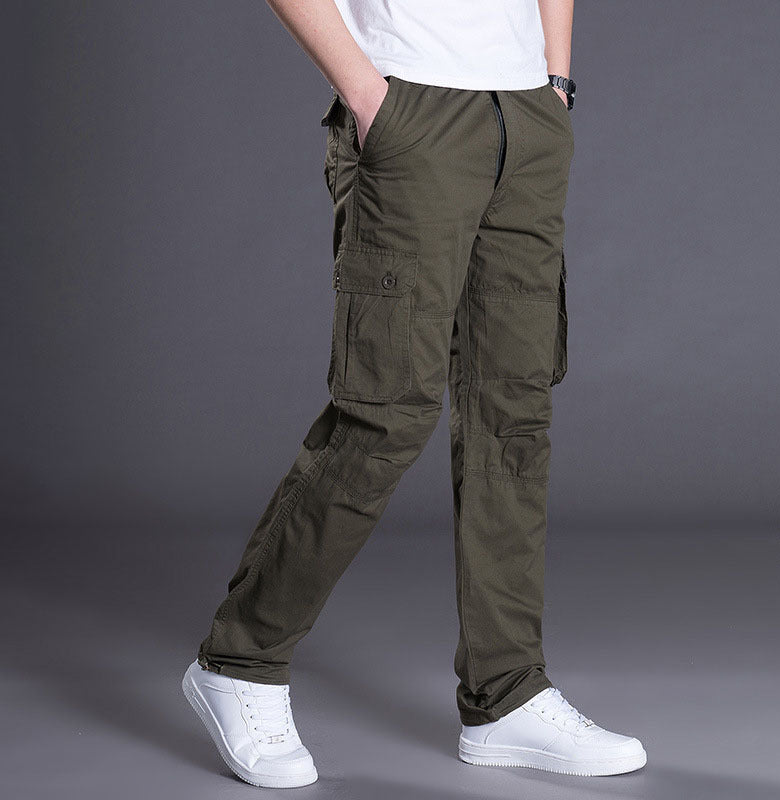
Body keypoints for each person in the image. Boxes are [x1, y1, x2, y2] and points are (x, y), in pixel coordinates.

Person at [182, 0, 646, 788]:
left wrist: (555, 82)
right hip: (412, 107)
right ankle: (241, 662)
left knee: (513, 413)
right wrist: (369, 97)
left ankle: (506, 692)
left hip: (526, 115)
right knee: (385, 414)